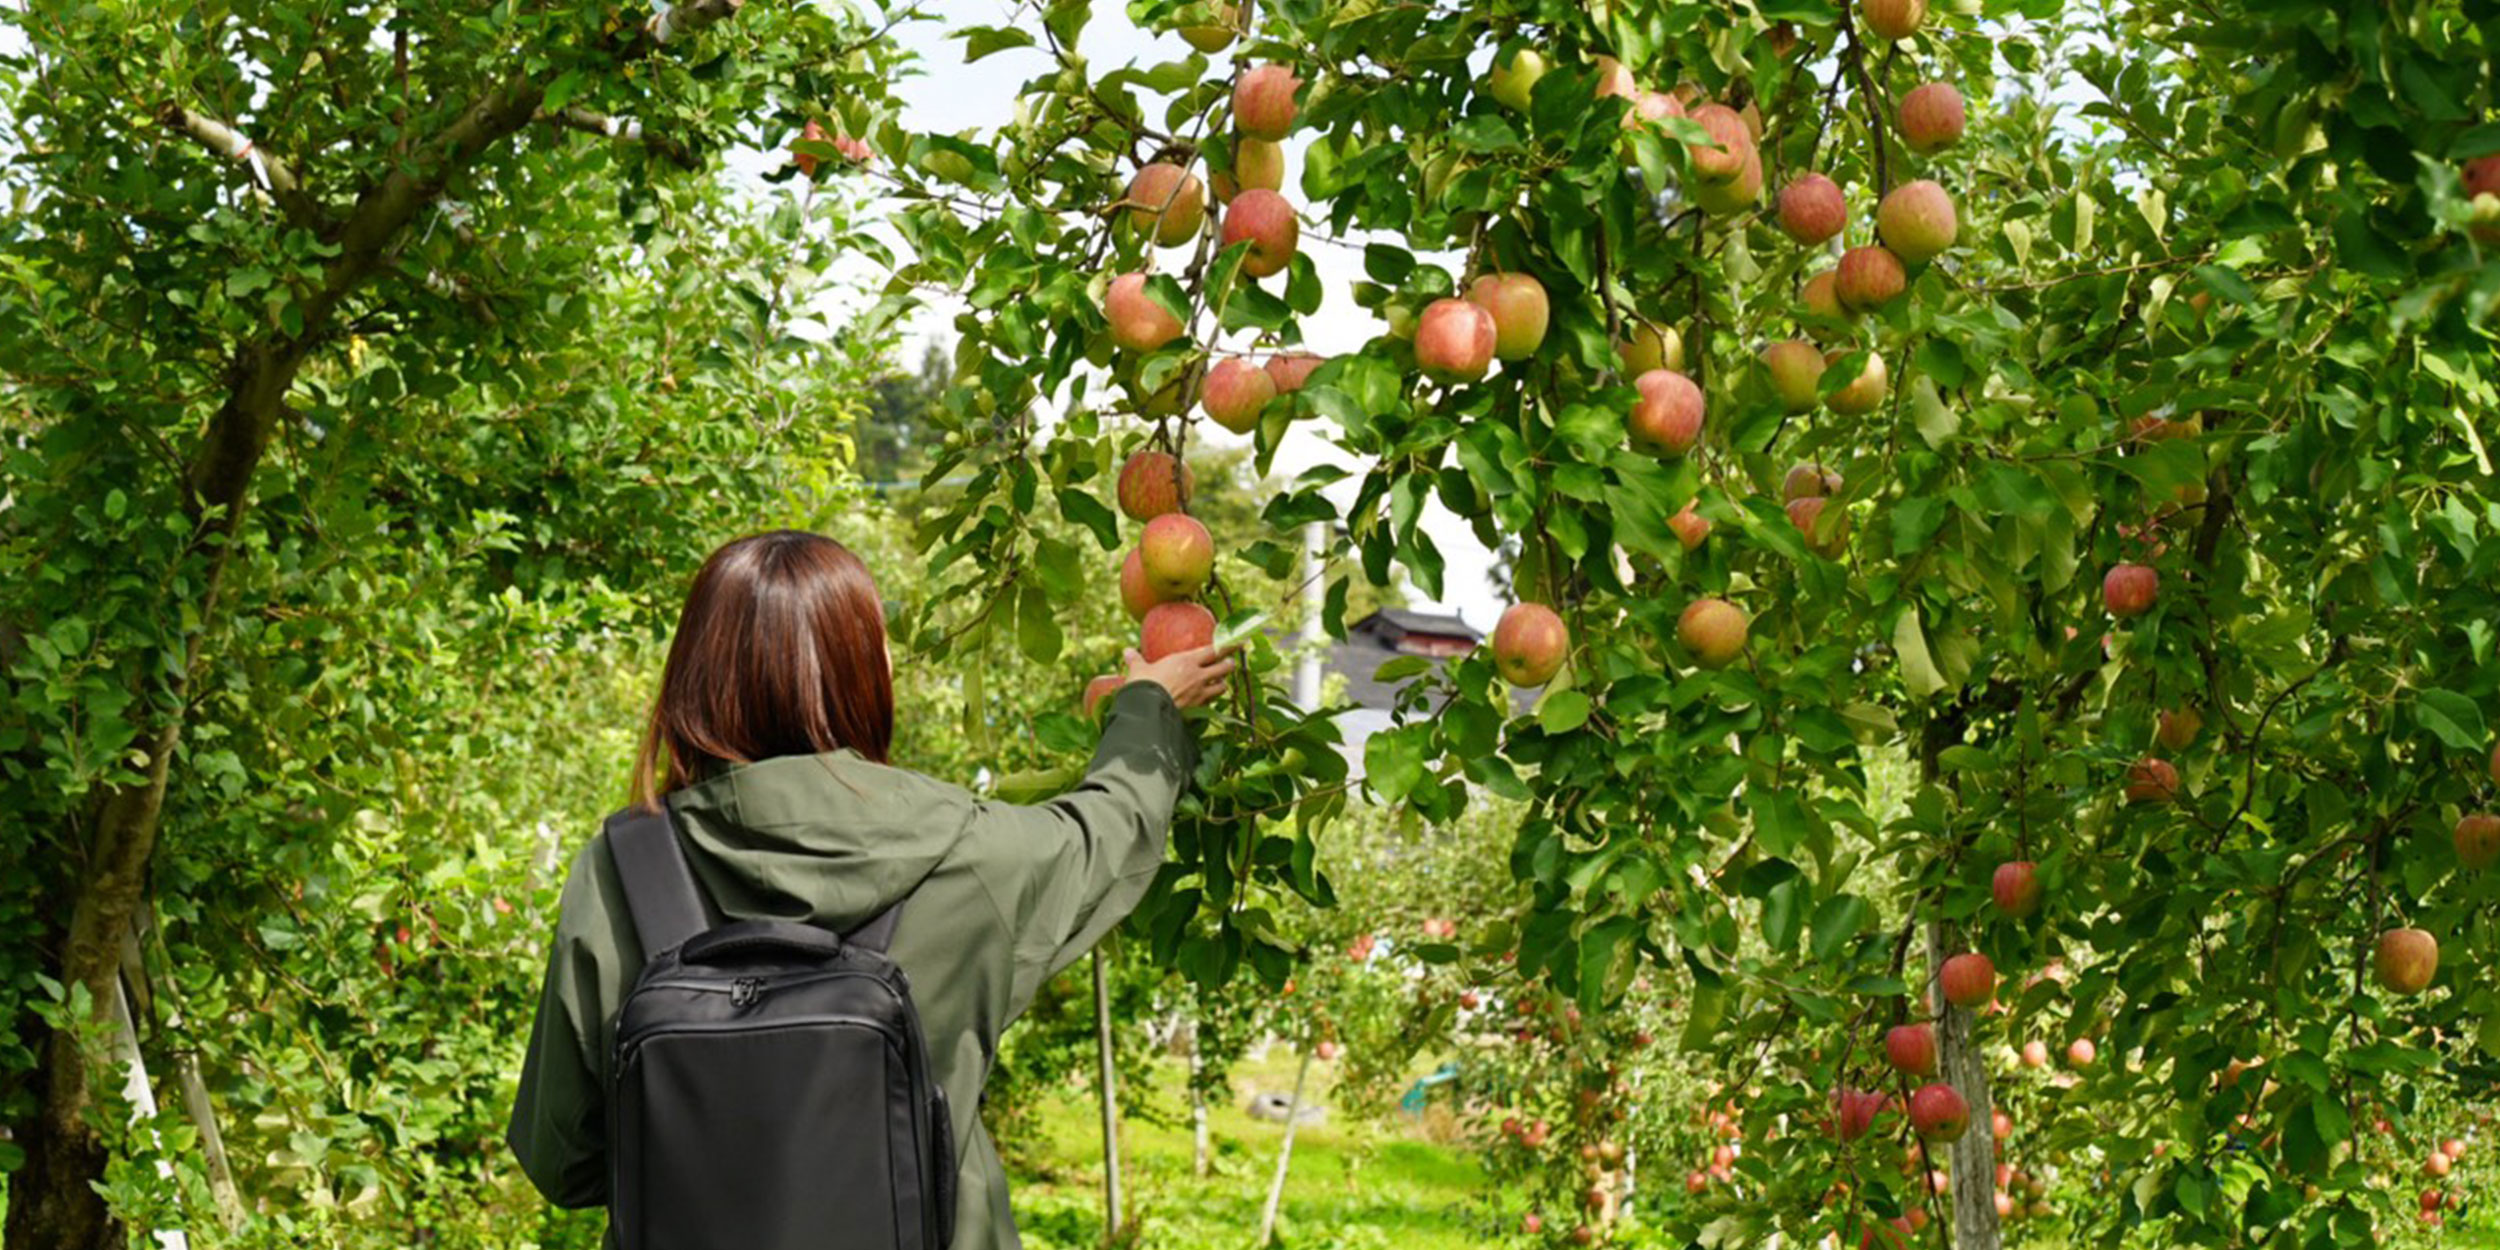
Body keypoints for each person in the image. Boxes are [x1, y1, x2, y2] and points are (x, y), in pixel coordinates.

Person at [507, 529, 1234, 1247]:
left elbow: (563, 1162)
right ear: (862, 671)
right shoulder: (966, 853)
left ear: (694, 675)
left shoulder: (624, 869)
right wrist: (1146, 708)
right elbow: (1107, 831)